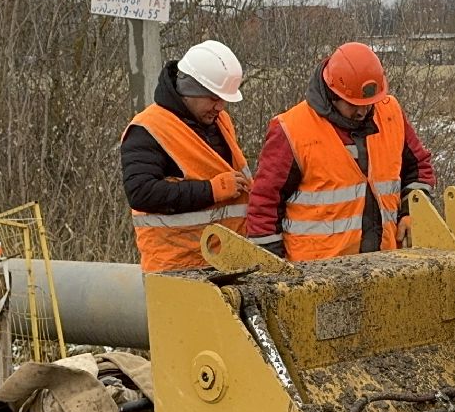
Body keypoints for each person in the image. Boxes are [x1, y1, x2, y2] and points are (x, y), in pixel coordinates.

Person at [246, 42, 435, 261]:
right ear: (333, 94)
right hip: (316, 277)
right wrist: (273, 271)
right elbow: (264, 204)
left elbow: (419, 167)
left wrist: (412, 211)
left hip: (385, 265)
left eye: (369, 103)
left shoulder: (390, 113)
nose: (363, 111)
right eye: (353, 104)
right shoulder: (292, 129)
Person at [119, 40, 250, 272]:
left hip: (227, 260)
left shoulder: (220, 121)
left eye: (223, 100)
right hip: (176, 267)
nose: (220, 107)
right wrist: (211, 190)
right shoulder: (147, 129)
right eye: (213, 98)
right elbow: (142, 193)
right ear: (190, 89)